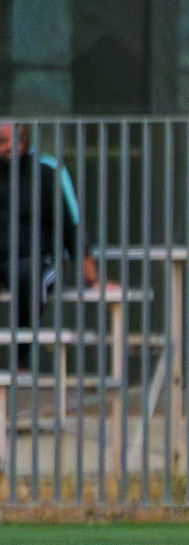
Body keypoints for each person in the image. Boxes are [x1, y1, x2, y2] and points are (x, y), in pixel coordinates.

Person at [0, 121, 109, 369]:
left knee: (30, 275)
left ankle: (21, 360)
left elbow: (72, 226)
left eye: (15, 140)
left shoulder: (47, 172)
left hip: (38, 260)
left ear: (26, 141)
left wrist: (92, 279)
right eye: (2, 142)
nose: (9, 147)